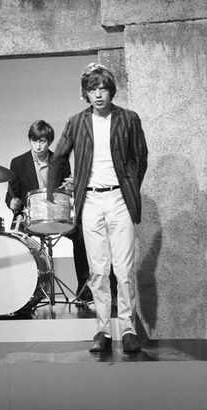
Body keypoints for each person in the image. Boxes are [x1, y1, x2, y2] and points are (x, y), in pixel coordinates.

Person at [48, 63, 147, 353]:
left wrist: (129, 186)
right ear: (86, 93)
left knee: (125, 269)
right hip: (90, 201)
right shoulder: (77, 121)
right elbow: (59, 156)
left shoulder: (128, 118)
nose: (98, 94)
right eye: (93, 89)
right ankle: (102, 330)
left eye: (103, 88)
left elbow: (140, 158)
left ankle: (128, 330)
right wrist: (55, 193)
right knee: (99, 270)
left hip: (119, 200)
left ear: (111, 90)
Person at [5, 120, 91, 304]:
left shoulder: (60, 162)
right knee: (13, 239)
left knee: (81, 234)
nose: (38, 145)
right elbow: (11, 192)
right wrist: (12, 203)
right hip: (29, 215)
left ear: (49, 142)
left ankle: (83, 286)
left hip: (55, 214)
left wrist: (71, 187)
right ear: (29, 140)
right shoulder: (18, 163)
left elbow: (66, 193)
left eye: (42, 141)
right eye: (34, 141)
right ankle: (21, 291)